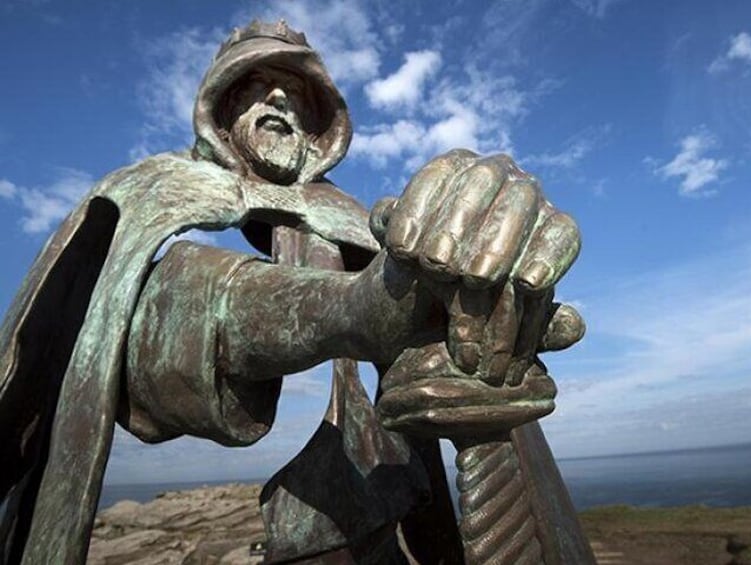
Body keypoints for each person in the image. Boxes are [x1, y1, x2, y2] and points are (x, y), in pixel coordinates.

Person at [0, 21, 585, 564]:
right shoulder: (148, 191)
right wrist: (355, 309)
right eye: (258, 83)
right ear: (221, 107)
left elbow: (425, 321)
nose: (280, 99)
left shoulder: (357, 218)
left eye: (297, 91)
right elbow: (156, 317)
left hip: (385, 521)